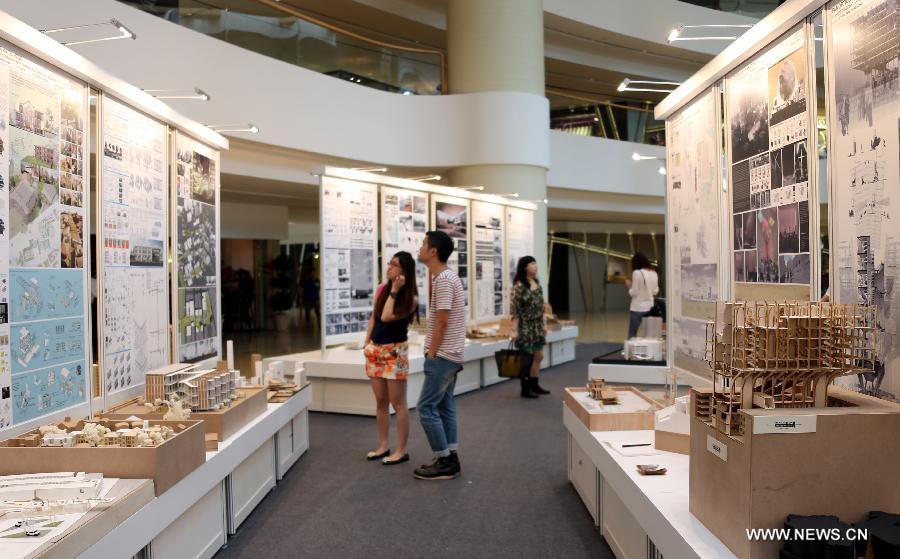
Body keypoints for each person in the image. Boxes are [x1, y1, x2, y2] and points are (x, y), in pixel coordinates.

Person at [413, 231, 466, 480]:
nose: (420, 248)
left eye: (424, 244)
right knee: (445, 406)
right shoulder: (447, 277)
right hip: (451, 354)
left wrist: (432, 353)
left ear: (433, 251)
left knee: (426, 408)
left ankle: (444, 460)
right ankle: (450, 456)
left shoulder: (443, 280)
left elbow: (442, 321)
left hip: (443, 355)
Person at [363, 252, 419, 466]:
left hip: (395, 352)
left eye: (394, 265)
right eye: (389, 263)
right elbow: (374, 319)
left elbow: (387, 316)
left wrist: (395, 290)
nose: (389, 267)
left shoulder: (410, 298)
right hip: (376, 350)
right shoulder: (381, 289)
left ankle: (401, 450)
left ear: (404, 271)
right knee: (380, 402)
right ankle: (383, 444)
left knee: (398, 402)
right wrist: (366, 344)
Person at [510, 256, 550, 399]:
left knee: (538, 355)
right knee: (527, 358)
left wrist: (544, 323)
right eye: (532, 263)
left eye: (535, 263)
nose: (535, 266)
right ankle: (525, 388)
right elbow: (515, 310)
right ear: (525, 267)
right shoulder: (519, 286)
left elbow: (542, 306)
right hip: (525, 326)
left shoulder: (537, 283)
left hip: (537, 325)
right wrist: (514, 330)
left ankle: (535, 384)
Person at [624, 252, 659, 339]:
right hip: (650, 307)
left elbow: (634, 292)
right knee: (649, 335)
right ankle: (648, 352)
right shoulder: (653, 272)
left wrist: (629, 286)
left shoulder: (637, 272)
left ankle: (631, 352)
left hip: (638, 307)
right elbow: (656, 291)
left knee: (632, 334)